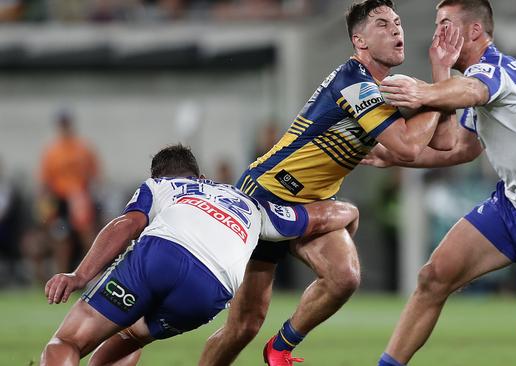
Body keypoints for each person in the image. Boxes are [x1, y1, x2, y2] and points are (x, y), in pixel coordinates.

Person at [199, 1, 455, 365]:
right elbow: (410, 147)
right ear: (359, 41)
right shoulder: (354, 83)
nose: (396, 29)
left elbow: (442, 142)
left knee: (344, 277)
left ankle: (280, 349)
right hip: (267, 195)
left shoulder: (383, 88)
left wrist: (440, 76)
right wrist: (436, 91)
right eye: (382, 24)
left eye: (397, 22)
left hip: (311, 203)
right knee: (244, 324)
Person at [363, 1, 516, 365]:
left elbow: (474, 91)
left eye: (446, 24)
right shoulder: (473, 80)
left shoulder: (496, 71)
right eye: (436, 24)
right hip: (511, 207)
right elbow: (458, 148)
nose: (437, 33)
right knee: (433, 277)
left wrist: (422, 91)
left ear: (474, 32)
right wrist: (394, 155)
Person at [40, 144, 360, 366]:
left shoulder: (161, 186)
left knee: (68, 343)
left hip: (162, 257)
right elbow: (314, 218)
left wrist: (79, 275)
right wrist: (351, 212)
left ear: (162, 175)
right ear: (201, 176)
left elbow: (127, 224)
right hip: (209, 292)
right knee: (129, 336)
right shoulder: (248, 204)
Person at [39, 110, 100, 274]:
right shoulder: (52, 151)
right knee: (61, 237)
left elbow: (94, 175)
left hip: (80, 198)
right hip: (61, 201)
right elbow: (46, 183)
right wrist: (47, 210)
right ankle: (62, 276)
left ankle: (95, 274)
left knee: (87, 234)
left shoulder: (83, 148)